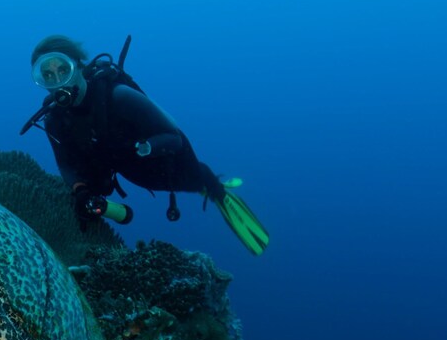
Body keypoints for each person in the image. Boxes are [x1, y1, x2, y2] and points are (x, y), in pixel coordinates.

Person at [23, 34, 269, 255]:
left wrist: (145, 148)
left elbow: (175, 138)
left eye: (62, 70)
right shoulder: (54, 119)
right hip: (121, 169)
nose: (57, 80)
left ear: (78, 65)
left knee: (195, 178)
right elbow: (65, 162)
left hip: (159, 163)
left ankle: (215, 188)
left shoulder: (118, 96)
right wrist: (80, 190)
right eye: (47, 75)